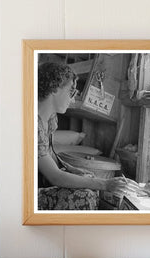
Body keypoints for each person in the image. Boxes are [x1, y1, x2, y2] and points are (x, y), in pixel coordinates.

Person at [37, 62, 124, 210]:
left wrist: (71, 168)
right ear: (54, 87)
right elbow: (55, 176)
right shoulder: (32, 124)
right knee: (85, 195)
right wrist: (105, 184)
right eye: (71, 91)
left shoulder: (50, 118)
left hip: (44, 182)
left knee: (87, 183)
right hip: (27, 192)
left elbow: (48, 154)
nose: (72, 99)